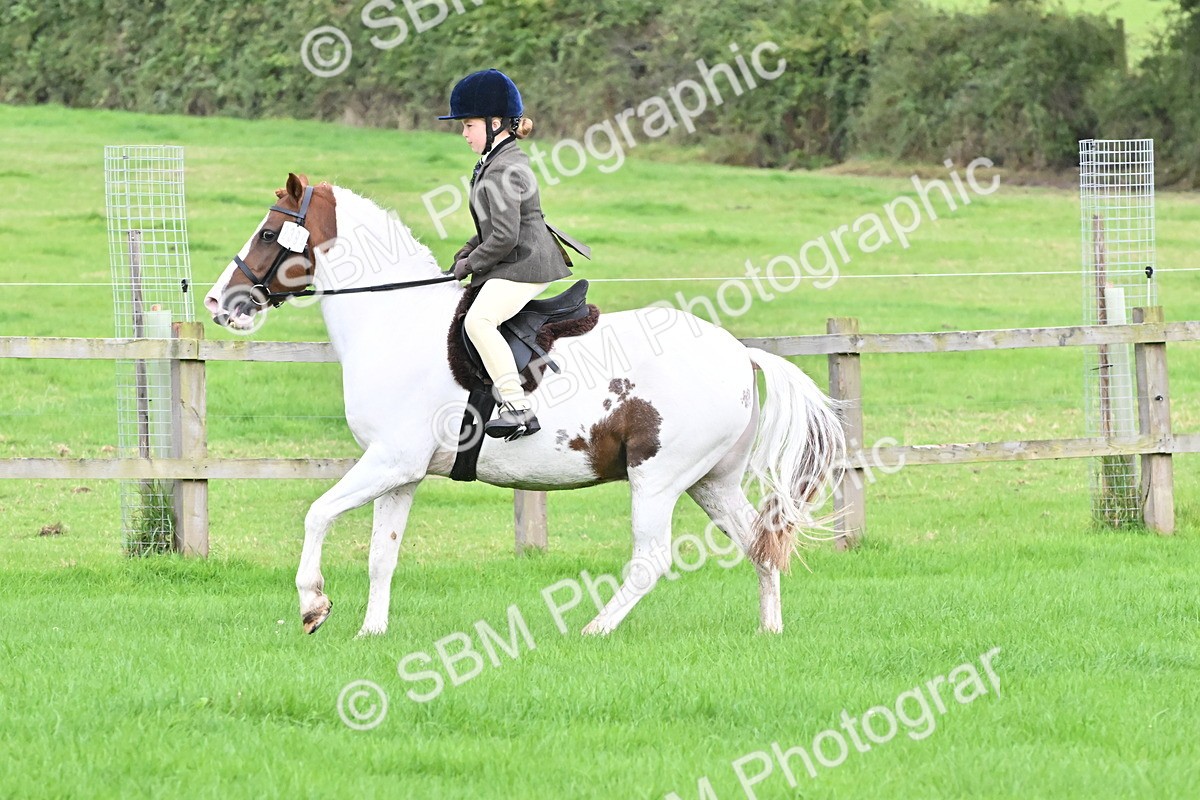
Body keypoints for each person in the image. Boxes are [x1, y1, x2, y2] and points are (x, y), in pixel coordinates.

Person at [440, 68, 585, 440]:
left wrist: (471, 263)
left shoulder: (502, 168)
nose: (463, 133)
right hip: (517, 256)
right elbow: (493, 226)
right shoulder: (494, 160)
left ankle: (517, 406)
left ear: (495, 124)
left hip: (527, 263)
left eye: (468, 125)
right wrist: (468, 249)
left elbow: (504, 238)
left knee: (479, 321)